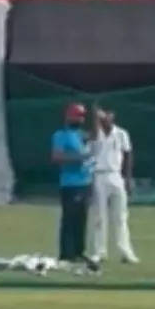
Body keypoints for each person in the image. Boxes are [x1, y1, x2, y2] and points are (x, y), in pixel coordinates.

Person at [88, 106, 139, 264]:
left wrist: (128, 179)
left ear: (113, 116)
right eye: (102, 116)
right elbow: (93, 144)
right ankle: (99, 252)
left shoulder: (121, 134)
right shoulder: (95, 133)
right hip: (99, 175)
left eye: (107, 115)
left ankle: (126, 251)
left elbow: (128, 154)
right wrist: (96, 121)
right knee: (99, 216)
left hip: (116, 175)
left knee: (121, 216)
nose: (105, 118)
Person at [50, 102, 97, 270]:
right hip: (71, 183)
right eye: (78, 116)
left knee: (81, 218)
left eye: (82, 116)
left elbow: (96, 136)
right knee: (70, 218)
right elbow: (56, 157)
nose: (80, 119)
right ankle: (66, 253)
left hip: (85, 182)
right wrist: (79, 158)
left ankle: (79, 251)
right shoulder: (61, 135)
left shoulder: (80, 135)